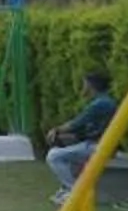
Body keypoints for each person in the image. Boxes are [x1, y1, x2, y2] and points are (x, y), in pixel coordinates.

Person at [46, 69, 119, 200]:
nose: (83, 87)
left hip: (98, 147)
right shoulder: (102, 101)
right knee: (64, 151)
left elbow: (76, 124)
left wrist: (56, 130)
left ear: (91, 86)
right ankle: (67, 188)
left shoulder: (101, 103)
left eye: (85, 84)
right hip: (96, 144)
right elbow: (85, 128)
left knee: (54, 156)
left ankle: (73, 192)